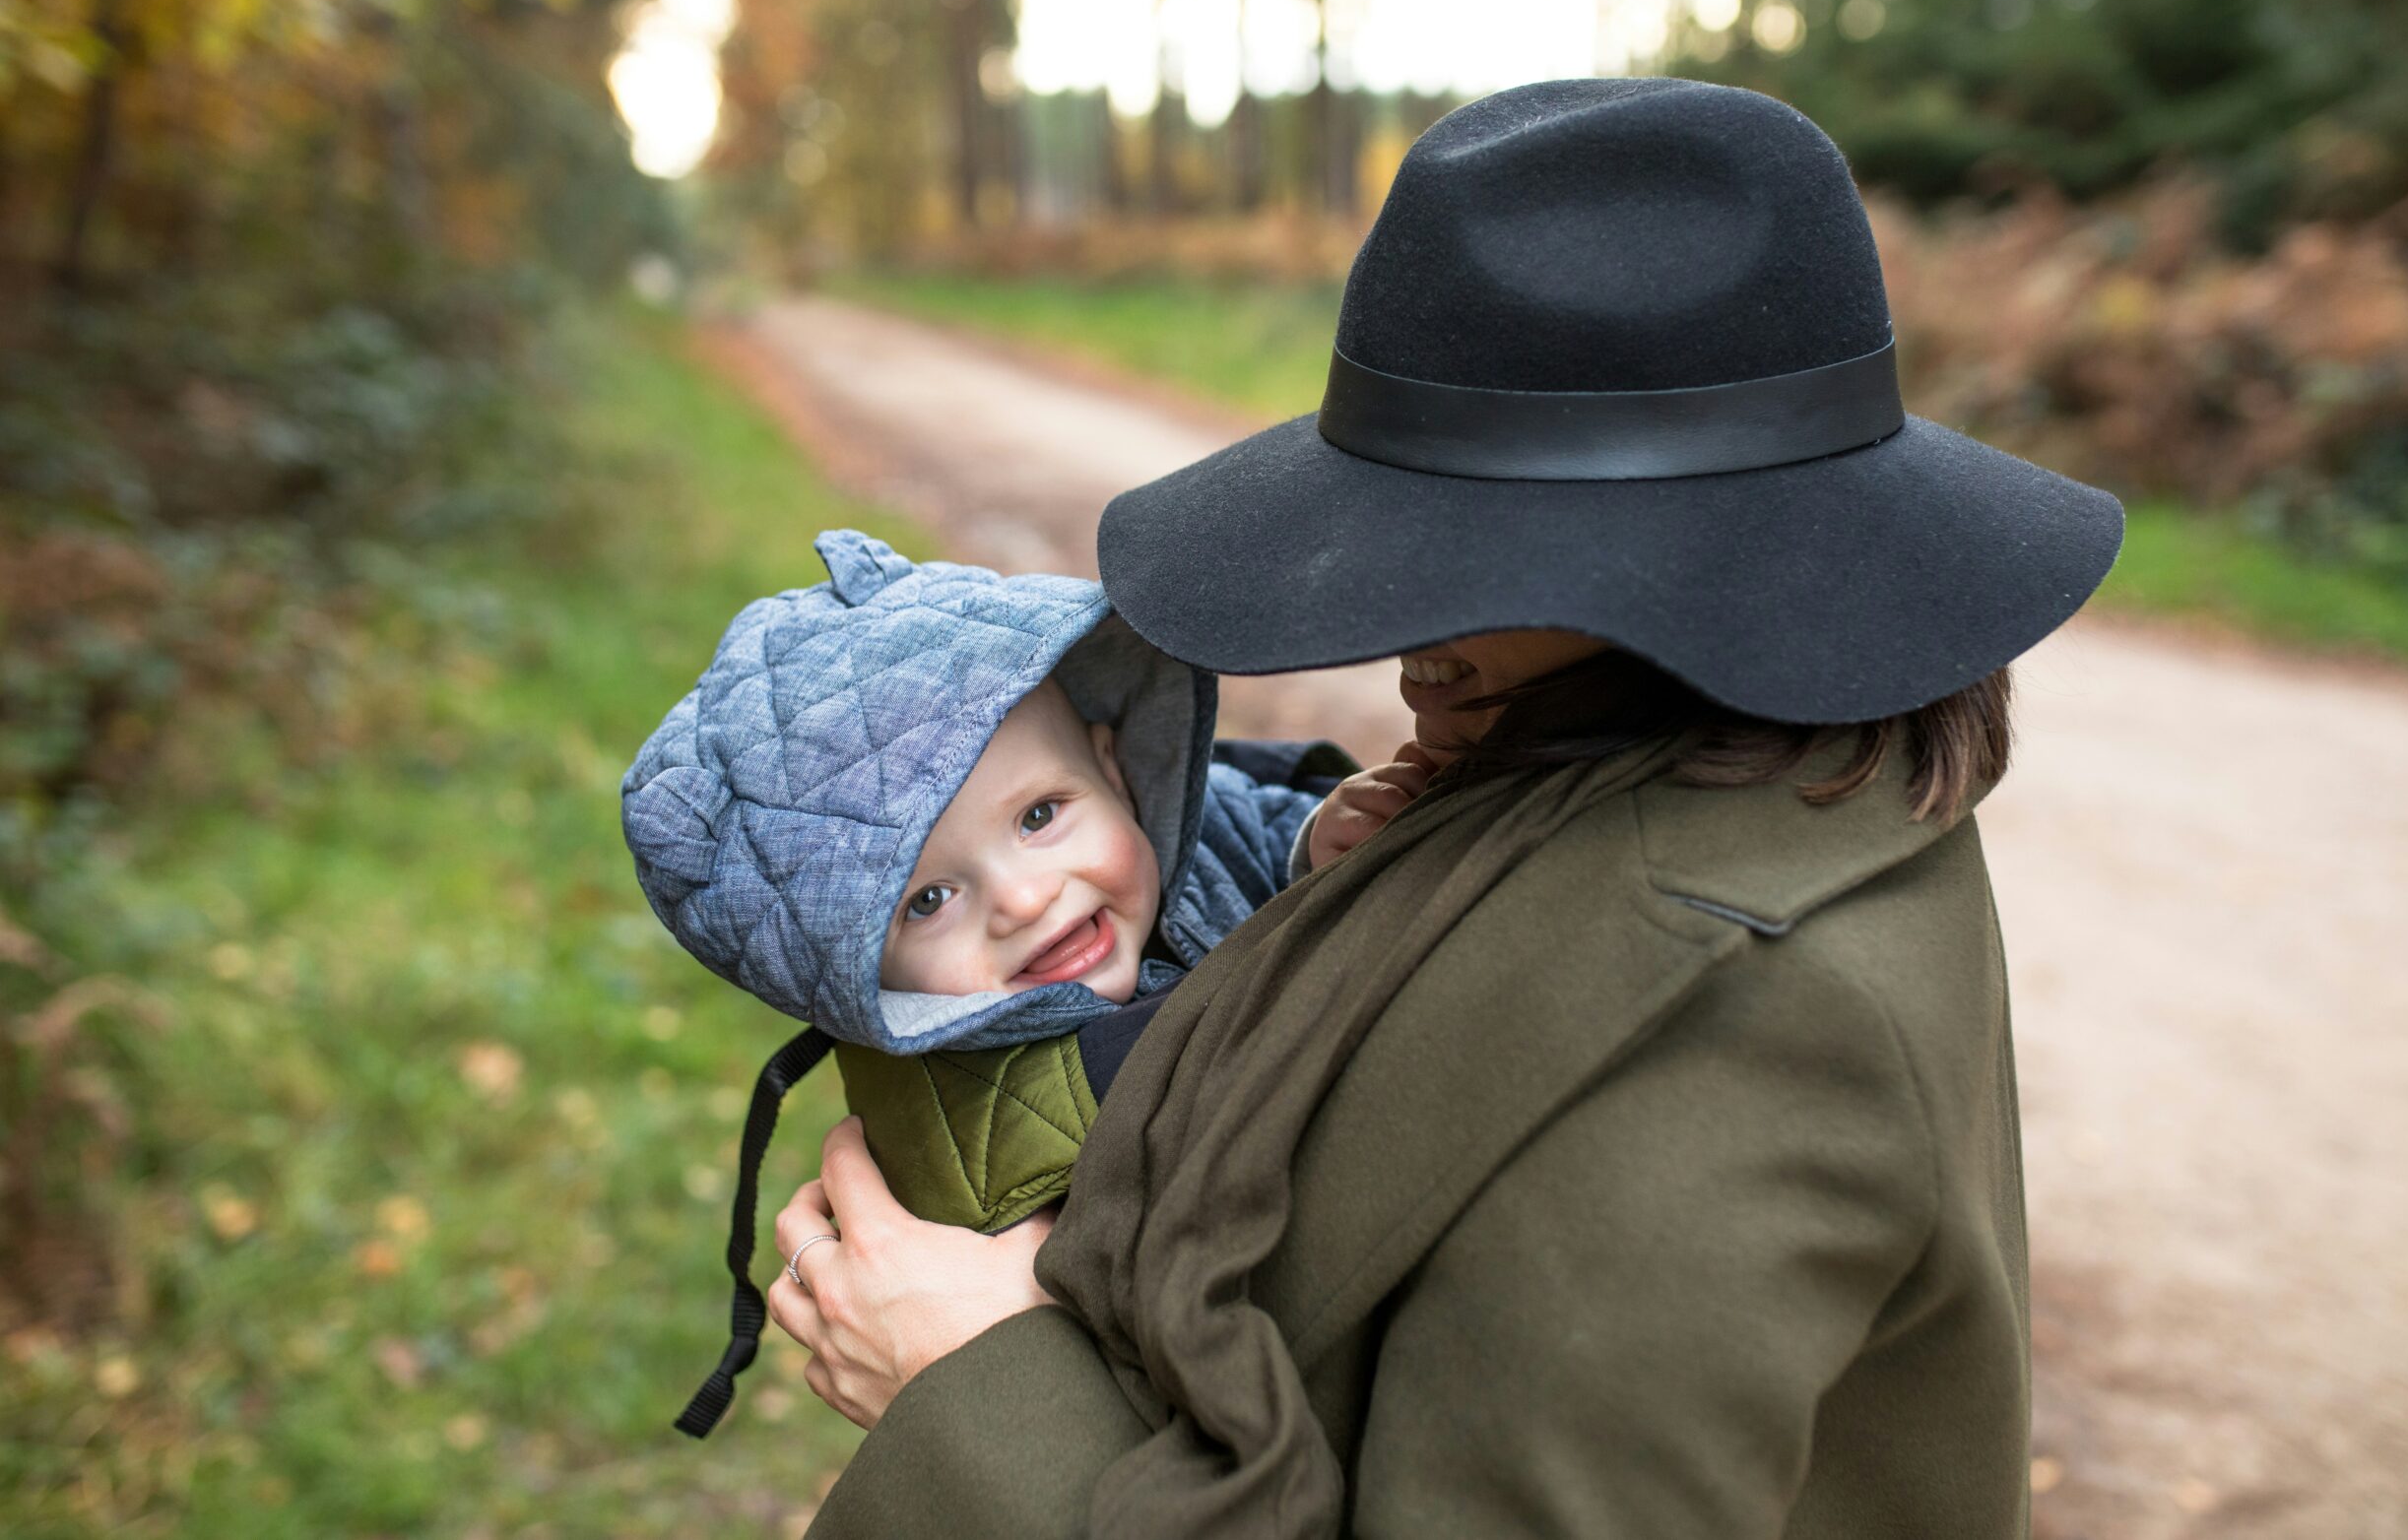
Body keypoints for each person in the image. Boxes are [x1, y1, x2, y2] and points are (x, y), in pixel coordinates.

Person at [767, 77, 2125, 1538]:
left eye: (1453, 564)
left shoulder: (1725, 1017)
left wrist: (970, 1382)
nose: (1405, 652)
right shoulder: (1747, 784)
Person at [619, 531, 1422, 1434]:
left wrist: (1310, 843)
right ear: (855, 975)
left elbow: (1234, 811)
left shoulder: (1161, 850)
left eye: (1039, 815)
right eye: (927, 899)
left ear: (1112, 766)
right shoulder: (982, 1142)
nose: (1025, 898)